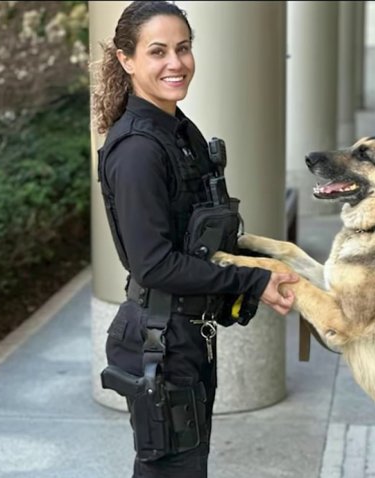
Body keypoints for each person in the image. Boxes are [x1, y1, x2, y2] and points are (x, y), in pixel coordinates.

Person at [91, 2, 299, 477]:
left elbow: (200, 239)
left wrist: (268, 270)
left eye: (183, 48)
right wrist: (248, 282)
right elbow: (155, 265)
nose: (176, 63)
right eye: (158, 51)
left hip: (185, 336)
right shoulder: (139, 149)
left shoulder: (180, 130)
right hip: (159, 339)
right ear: (127, 60)